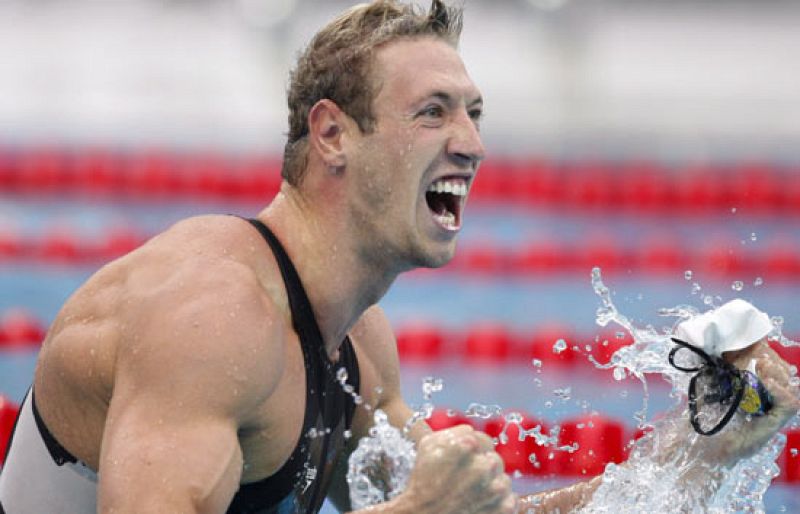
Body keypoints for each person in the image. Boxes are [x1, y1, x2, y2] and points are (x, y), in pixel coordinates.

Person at [0, 1, 797, 513]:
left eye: (475, 114)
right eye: (433, 113)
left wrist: (692, 453)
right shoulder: (214, 316)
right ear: (333, 135)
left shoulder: (357, 345)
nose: (473, 144)